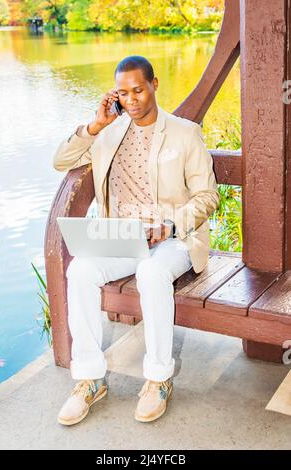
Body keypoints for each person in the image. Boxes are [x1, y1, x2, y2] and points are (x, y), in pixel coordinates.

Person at [53, 55, 219, 426]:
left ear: (155, 84)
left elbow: (208, 197)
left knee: (150, 272)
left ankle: (158, 379)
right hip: (122, 237)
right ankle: (90, 379)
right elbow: (61, 161)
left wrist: (171, 225)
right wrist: (96, 124)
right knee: (80, 270)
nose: (131, 99)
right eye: (123, 93)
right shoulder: (108, 132)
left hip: (173, 238)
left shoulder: (184, 132)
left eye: (138, 90)